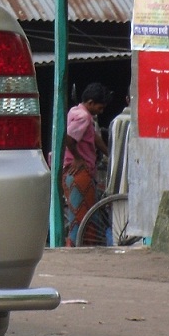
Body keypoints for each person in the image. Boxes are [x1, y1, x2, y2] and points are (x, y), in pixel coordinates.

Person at [61, 83, 110, 246]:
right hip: (79, 174)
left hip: (76, 173)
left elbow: (93, 136)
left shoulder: (76, 111)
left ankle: (82, 249)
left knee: (86, 215)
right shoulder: (84, 117)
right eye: (100, 107)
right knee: (82, 218)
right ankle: (73, 250)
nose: (101, 111)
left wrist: (109, 153)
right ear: (90, 103)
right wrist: (78, 158)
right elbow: (68, 138)